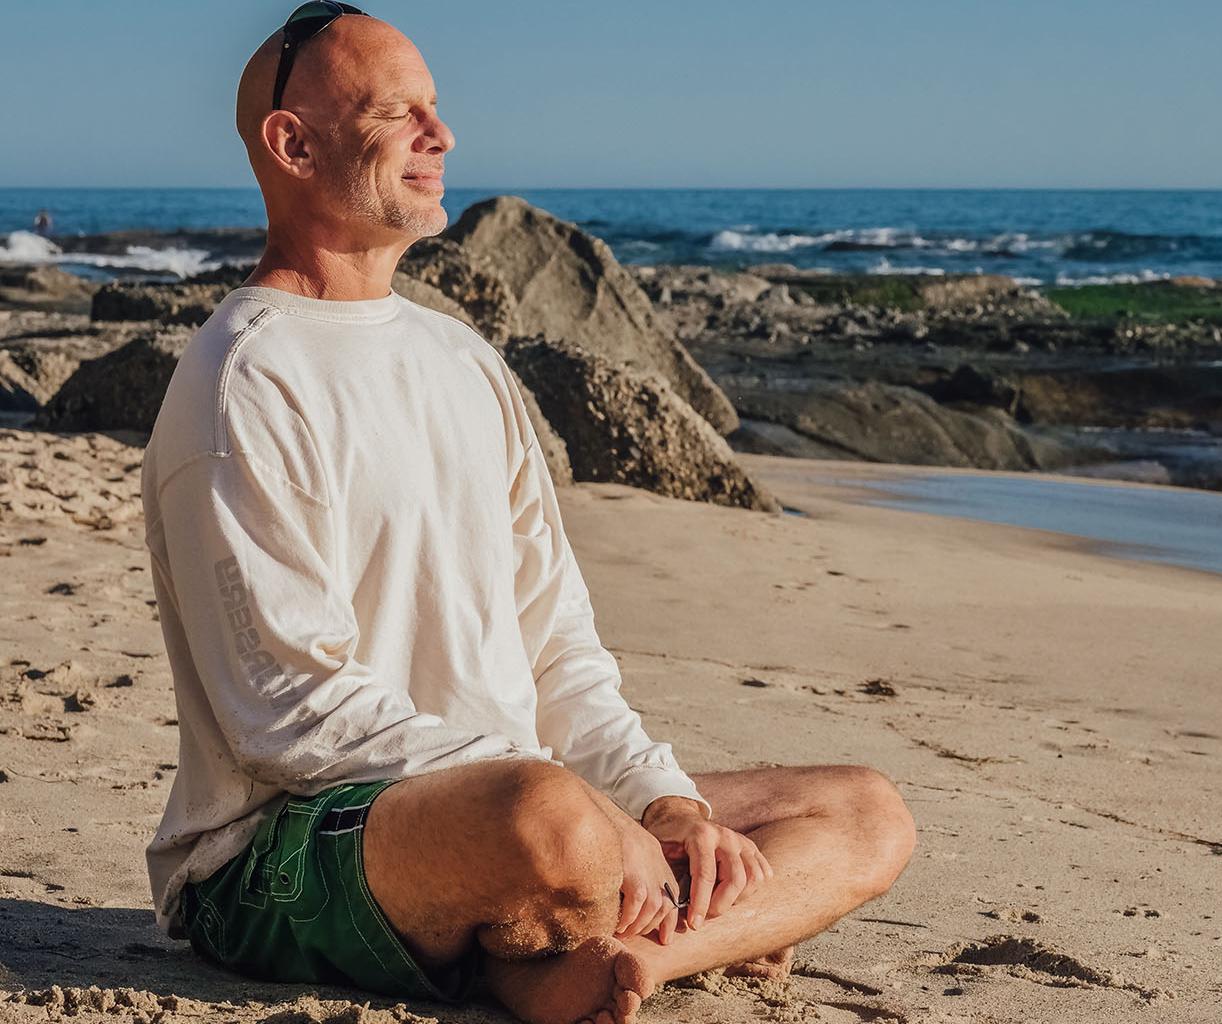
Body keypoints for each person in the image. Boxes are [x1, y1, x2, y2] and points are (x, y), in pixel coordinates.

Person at [139, 5, 916, 1023]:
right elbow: (289, 712)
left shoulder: (461, 359)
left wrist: (662, 803)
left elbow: (557, 649)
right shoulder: (245, 375)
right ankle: (593, 927)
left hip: (521, 795)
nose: (441, 135)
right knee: (546, 822)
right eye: (398, 113)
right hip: (287, 843)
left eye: (436, 108)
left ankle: (621, 960)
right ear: (292, 142)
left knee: (863, 810)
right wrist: (588, 811)